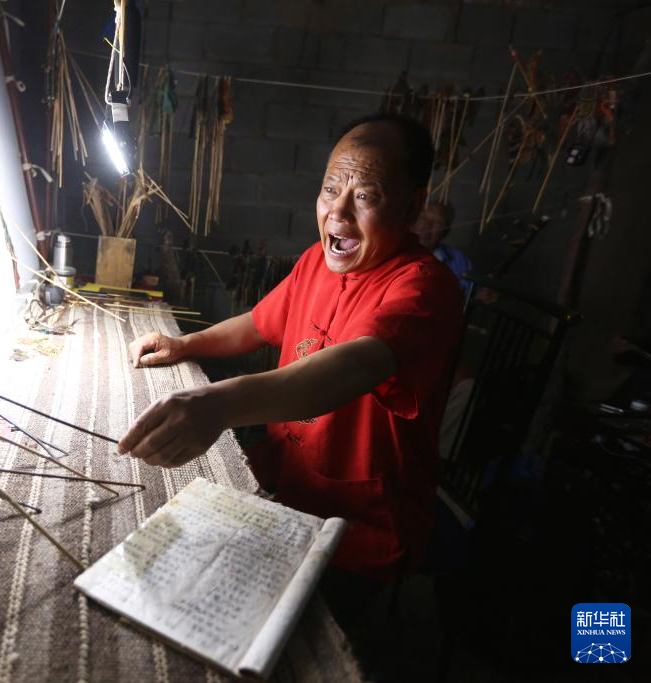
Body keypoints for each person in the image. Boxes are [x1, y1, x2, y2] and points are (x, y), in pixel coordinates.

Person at [117, 113, 463, 595]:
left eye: (365, 197)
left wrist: (217, 404)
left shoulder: (424, 290)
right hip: (288, 478)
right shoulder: (315, 262)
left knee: (212, 595)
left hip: (359, 524)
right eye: (330, 189)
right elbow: (258, 323)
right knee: (156, 529)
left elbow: (354, 366)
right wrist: (186, 344)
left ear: (413, 205)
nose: (338, 213)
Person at [411, 201, 473, 298]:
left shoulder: (458, 259)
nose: (427, 226)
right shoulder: (393, 249)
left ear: (446, 232)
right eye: (423, 218)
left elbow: (470, 294)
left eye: (438, 223)